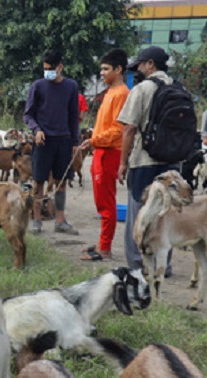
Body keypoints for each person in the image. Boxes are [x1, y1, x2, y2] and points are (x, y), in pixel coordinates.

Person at [117, 45, 179, 274]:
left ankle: (137, 265)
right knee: (165, 214)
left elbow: (129, 129)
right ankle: (165, 264)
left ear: (150, 64)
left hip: (144, 162)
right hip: (173, 163)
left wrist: (123, 163)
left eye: (141, 65)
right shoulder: (178, 88)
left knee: (138, 215)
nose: (139, 69)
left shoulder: (142, 89)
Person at [78, 48, 130, 262]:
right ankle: (101, 243)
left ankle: (105, 248)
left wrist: (94, 140)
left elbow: (118, 130)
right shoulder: (109, 93)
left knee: (107, 203)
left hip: (110, 153)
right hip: (100, 151)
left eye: (106, 69)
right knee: (101, 201)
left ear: (118, 70)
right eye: (101, 69)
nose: (102, 73)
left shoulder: (122, 94)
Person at [23, 49, 81, 235]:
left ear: (60, 67)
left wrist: (75, 141)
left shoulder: (71, 87)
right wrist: (37, 130)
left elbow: (73, 116)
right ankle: (37, 221)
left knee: (61, 181)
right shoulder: (38, 86)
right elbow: (28, 114)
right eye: (45, 68)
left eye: (50, 68)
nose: (47, 71)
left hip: (63, 140)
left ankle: (60, 220)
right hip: (43, 141)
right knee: (38, 182)